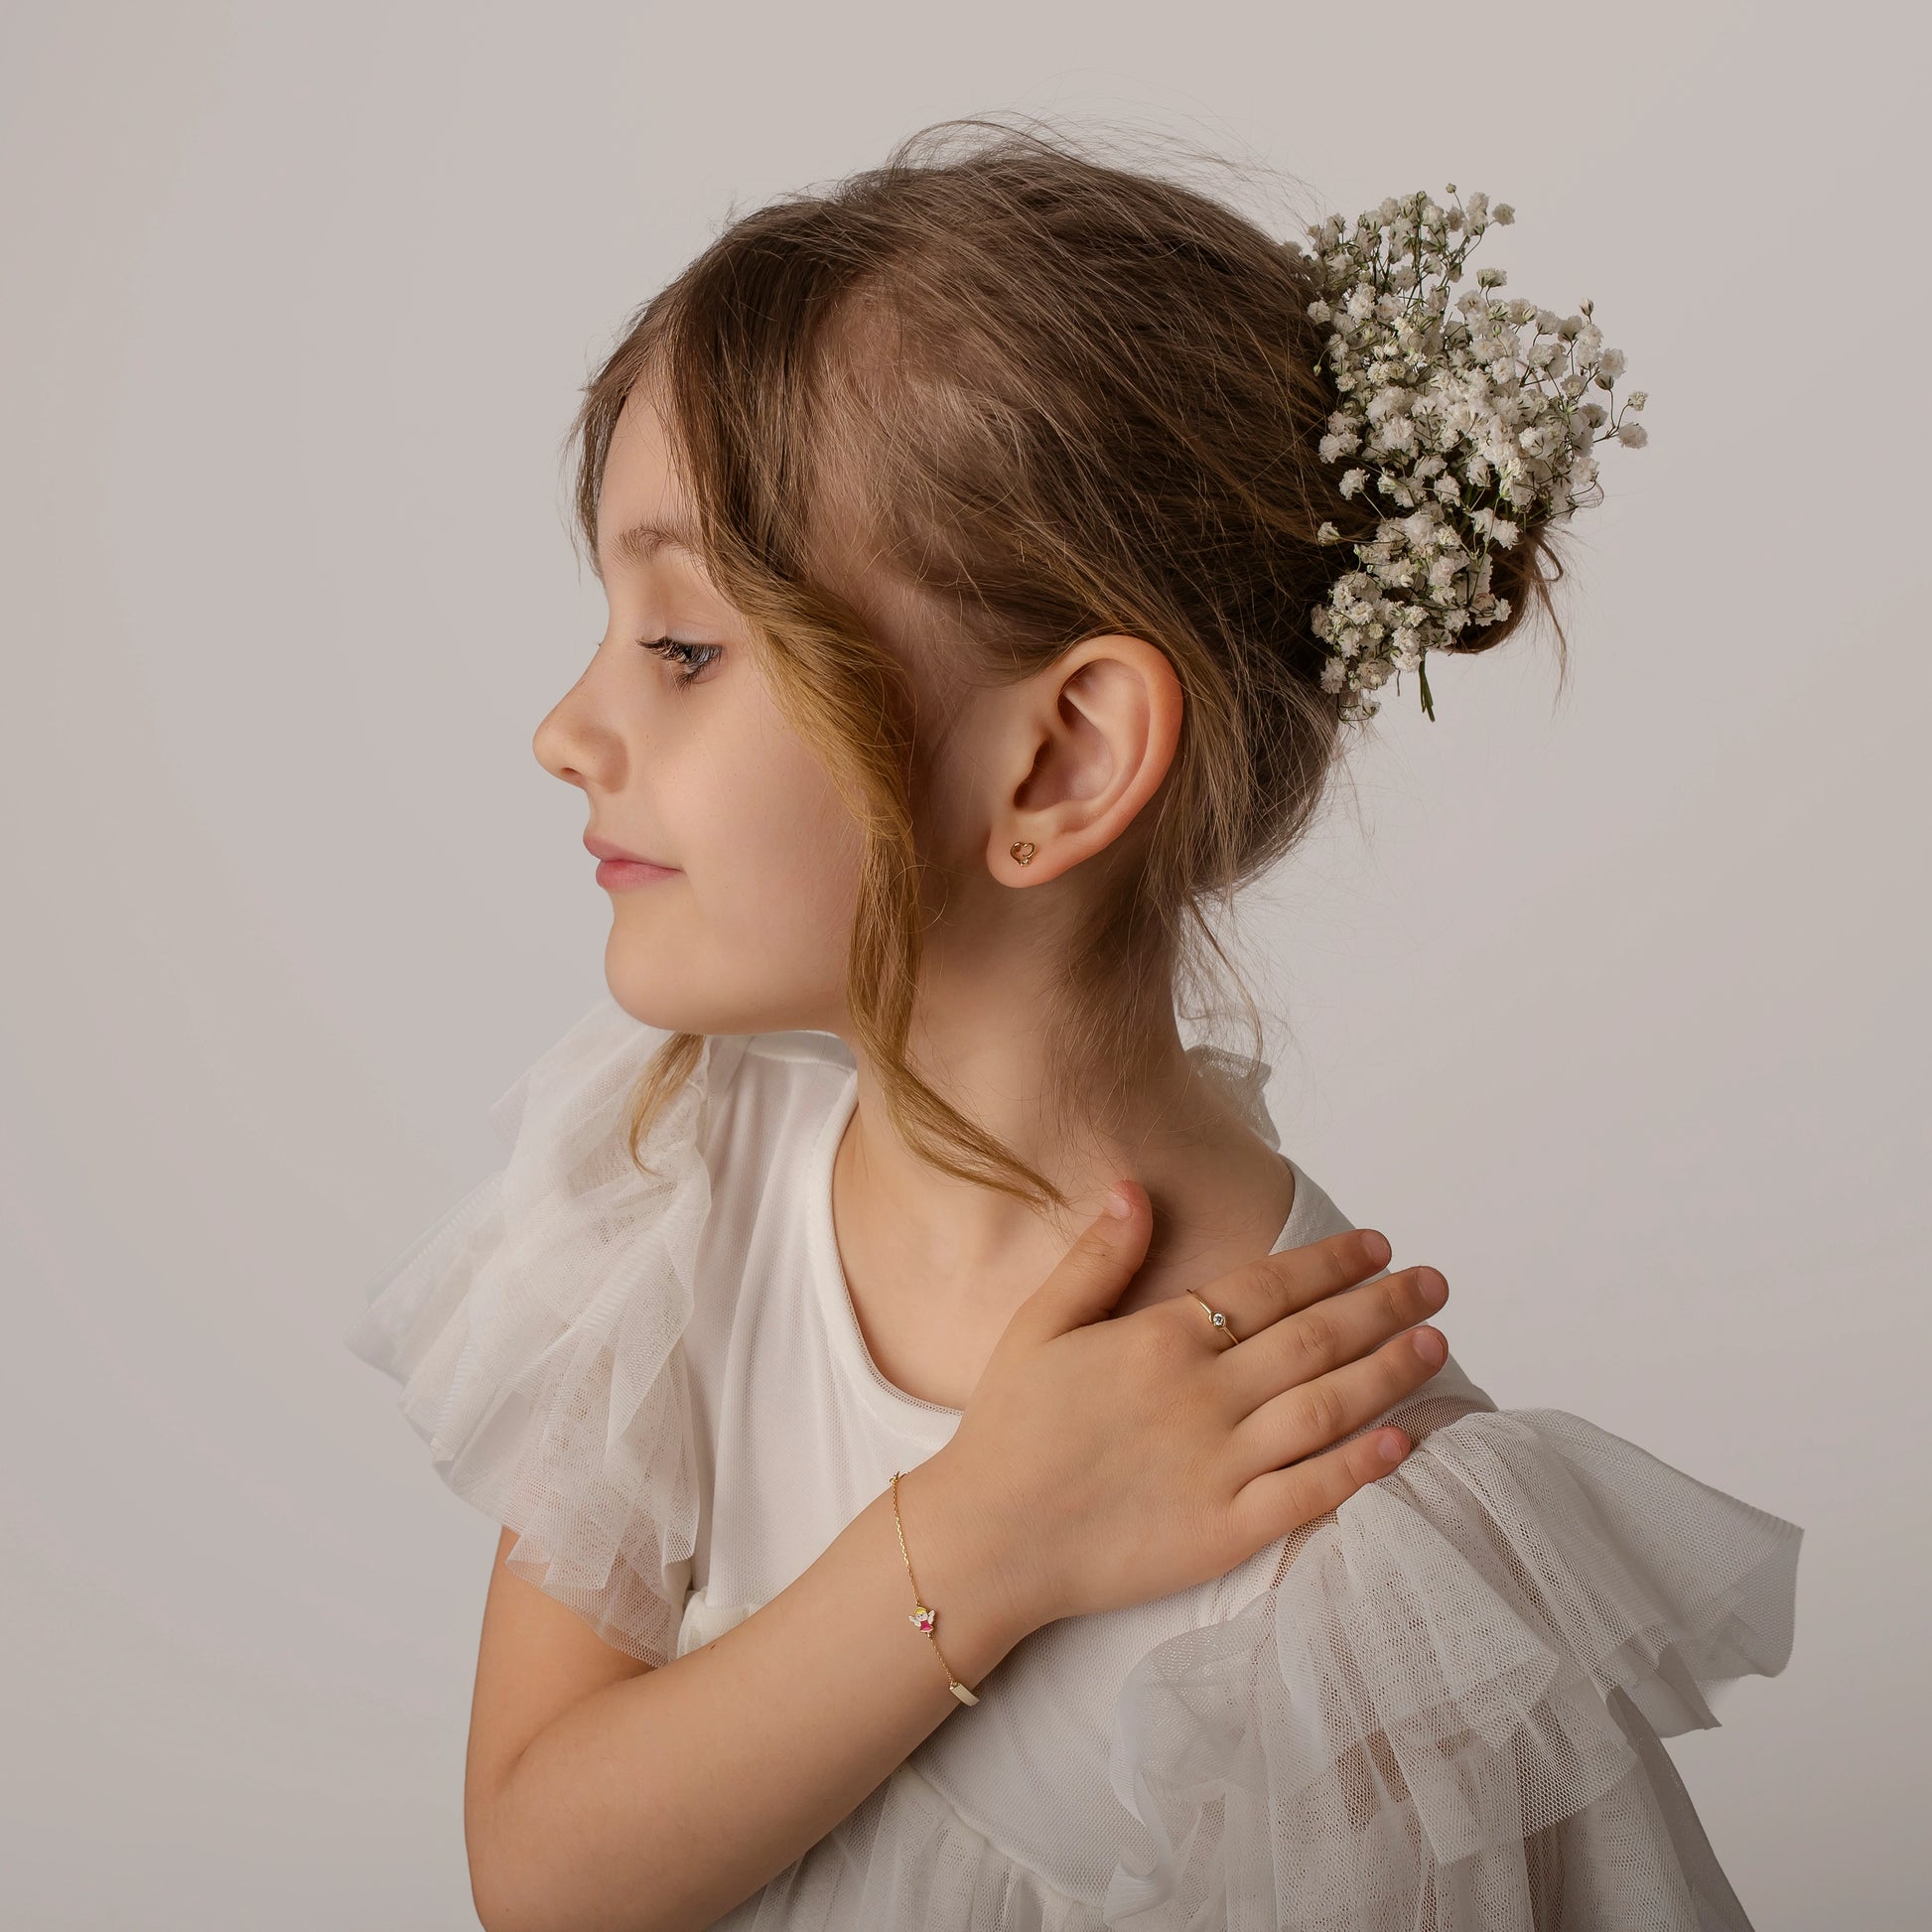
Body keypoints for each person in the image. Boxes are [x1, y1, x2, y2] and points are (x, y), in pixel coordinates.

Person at [345, 118, 1803, 1932]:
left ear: (1060, 757)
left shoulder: (1338, 1540)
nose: (565, 728)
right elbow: (547, 1875)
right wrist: (987, 1533)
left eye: (685, 647)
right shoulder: (677, 1178)